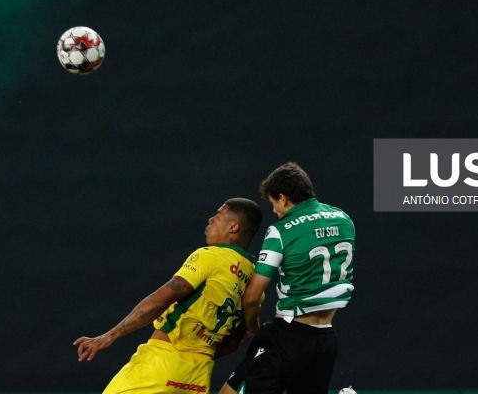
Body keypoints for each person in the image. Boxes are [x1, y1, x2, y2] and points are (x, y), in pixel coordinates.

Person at [74, 197, 263, 394]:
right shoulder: (254, 278)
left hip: (161, 364)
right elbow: (236, 340)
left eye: (218, 215)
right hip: (198, 376)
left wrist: (109, 335)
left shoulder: (210, 256)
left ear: (233, 227)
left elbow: (160, 300)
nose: (211, 219)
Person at [220, 162, 356, 394]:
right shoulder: (344, 219)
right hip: (325, 340)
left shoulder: (281, 230)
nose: (275, 211)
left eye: (274, 204)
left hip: (288, 336)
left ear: (283, 198)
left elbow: (252, 296)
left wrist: (252, 328)